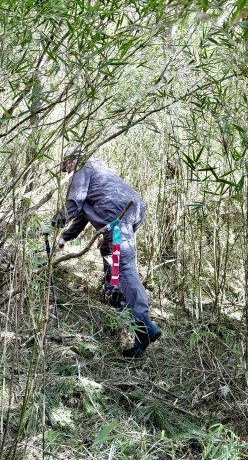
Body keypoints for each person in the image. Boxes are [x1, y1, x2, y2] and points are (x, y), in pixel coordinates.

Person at [51, 146, 161, 358]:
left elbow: (74, 203)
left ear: (71, 160)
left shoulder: (82, 168)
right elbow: (84, 214)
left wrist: (54, 222)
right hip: (131, 211)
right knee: (110, 249)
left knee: (125, 265)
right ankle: (115, 291)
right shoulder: (100, 170)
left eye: (66, 166)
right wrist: (65, 237)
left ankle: (145, 325)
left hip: (118, 216)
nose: (67, 172)